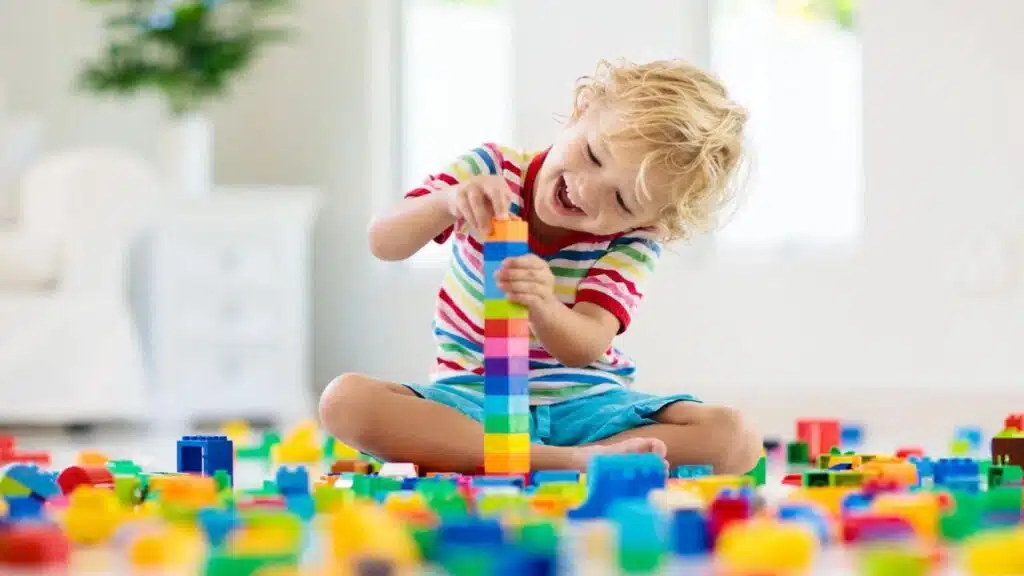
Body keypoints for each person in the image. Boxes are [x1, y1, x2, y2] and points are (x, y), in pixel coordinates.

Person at [319, 59, 762, 474]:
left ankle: (544, 455)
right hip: (473, 397)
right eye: (592, 154)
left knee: (736, 437)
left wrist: (543, 305)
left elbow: (587, 343)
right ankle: (569, 461)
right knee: (345, 401)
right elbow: (383, 241)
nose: (588, 190)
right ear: (581, 110)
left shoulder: (634, 240)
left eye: (622, 200)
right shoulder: (490, 168)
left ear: (649, 218)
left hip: (585, 404)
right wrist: (447, 202)